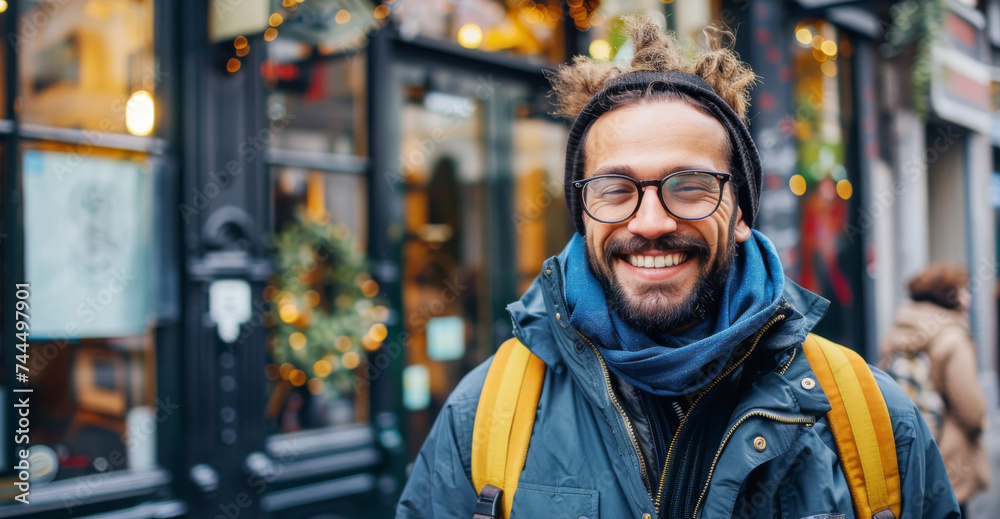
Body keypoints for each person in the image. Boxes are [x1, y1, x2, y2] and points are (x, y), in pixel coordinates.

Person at [396, 17, 959, 518]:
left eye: (689, 186)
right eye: (615, 189)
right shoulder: (486, 415)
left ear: (739, 211)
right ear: (582, 215)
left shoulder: (872, 420)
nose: (650, 222)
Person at [880, 264, 990, 516]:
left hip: (908, 447)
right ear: (948, 296)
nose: (969, 297)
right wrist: (980, 423)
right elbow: (971, 411)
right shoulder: (951, 338)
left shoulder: (899, 330)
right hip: (948, 455)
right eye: (963, 290)